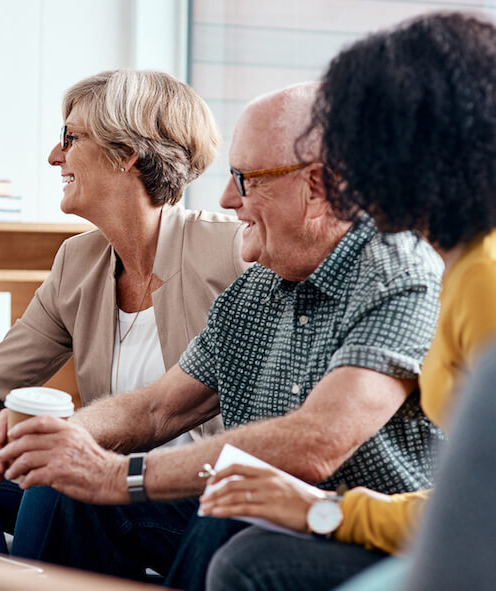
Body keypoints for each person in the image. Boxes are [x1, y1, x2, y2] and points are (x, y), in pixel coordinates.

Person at [0, 81, 445, 587]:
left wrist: (119, 475)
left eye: (245, 179)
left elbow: (316, 442)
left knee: (231, 503)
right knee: (67, 487)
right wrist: (70, 440)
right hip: (255, 511)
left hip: (367, 537)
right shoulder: (257, 289)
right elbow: (160, 407)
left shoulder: (398, 273)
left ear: (317, 186)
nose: (228, 198)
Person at [195, 12, 496, 591]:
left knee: (249, 562)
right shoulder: (457, 263)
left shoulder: (478, 276)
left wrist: (322, 511)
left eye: (360, 148)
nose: (342, 176)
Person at [0, 69, 247, 553]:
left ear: (126, 153)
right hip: (102, 487)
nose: (55, 156)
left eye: (69, 138)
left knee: (59, 477)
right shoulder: (78, 261)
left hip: (198, 496)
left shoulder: (233, 250)